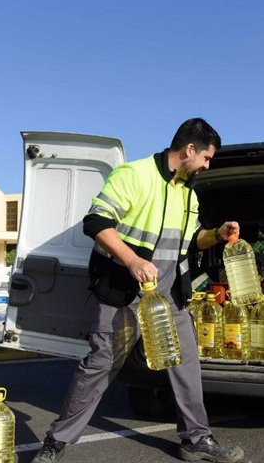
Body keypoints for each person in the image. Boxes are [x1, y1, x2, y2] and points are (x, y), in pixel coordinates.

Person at [31, 118, 245, 463]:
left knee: (186, 365)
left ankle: (196, 440)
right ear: (189, 150)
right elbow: (96, 222)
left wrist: (217, 233)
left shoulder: (187, 194)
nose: (207, 166)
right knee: (99, 365)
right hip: (122, 294)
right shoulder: (135, 176)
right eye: (206, 158)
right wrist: (132, 261)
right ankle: (55, 442)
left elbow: (192, 241)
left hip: (169, 298)